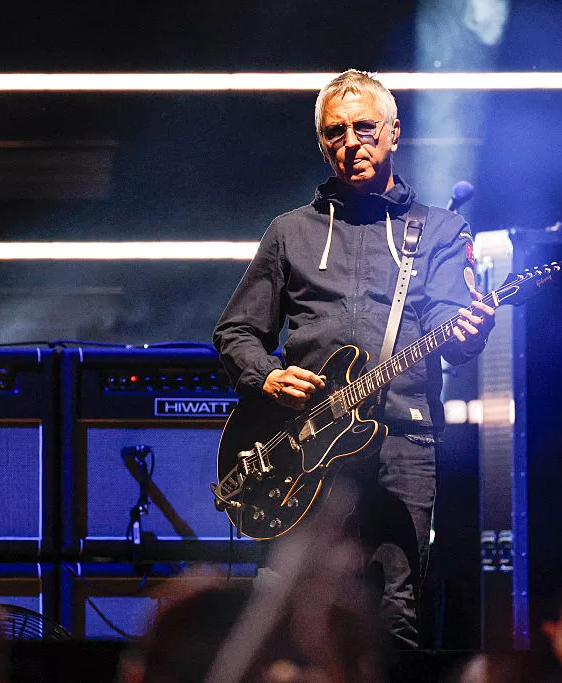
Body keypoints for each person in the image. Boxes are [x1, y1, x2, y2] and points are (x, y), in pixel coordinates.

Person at [213, 69, 495, 648]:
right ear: (322, 143)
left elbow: (454, 332)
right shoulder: (290, 232)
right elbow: (236, 331)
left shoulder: (439, 230)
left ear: (393, 132)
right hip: (303, 443)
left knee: (399, 607)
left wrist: (470, 330)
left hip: (402, 443)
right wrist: (267, 378)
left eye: (364, 128)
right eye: (335, 133)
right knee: (284, 602)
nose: (351, 143)